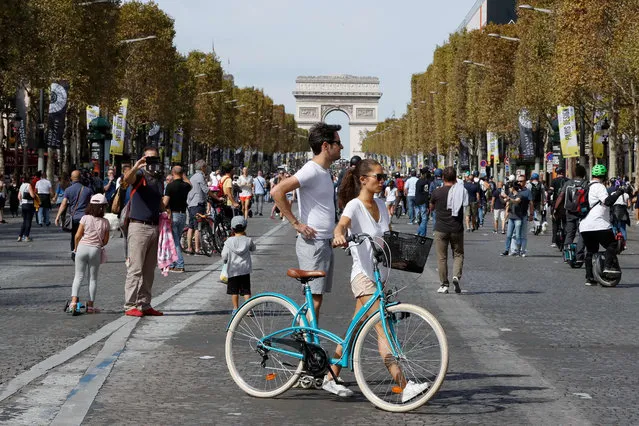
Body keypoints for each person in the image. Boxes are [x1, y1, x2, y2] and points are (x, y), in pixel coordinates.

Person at [329, 158, 429, 401]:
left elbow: (388, 238)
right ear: (363, 179)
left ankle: (330, 377)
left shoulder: (383, 205)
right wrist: (339, 236)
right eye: (379, 177)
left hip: (380, 276)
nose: (384, 182)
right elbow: (340, 226)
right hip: (364, 277)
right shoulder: (353, 206)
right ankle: (404, 386)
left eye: (385, 177)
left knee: (354, 329)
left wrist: (406, 256)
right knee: (384, 330)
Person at [271, 122, 342, 321]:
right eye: (338, 143)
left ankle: (308, 339)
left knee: (316, 298)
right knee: (314, 299)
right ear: (326, 146)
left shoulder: (323, 171)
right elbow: (277, 191)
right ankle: (307, 342)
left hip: (323, 242)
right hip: (314, 243)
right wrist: (296, 224)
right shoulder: (311, 170)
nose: (341, 147)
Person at [122, 146, 165, 317]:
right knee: (136, 268)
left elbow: (159, 201)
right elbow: (126, 180)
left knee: (149, 269)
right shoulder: (139, 174)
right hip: (139, 226)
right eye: (148, 158)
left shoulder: (158, 179)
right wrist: (137, 165)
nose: (151, 161)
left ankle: (144, 303)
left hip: (155, 226)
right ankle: (130, 304)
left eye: (154, 158)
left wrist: (165, 211)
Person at [580, 164, 625, 285]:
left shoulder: (586, 186)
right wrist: (619, 192)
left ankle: (589, 278)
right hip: (599, 224)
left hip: (584, 225)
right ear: (604, 176)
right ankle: (607, 266)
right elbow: (608, 201)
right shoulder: (599, 186)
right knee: (613, 244)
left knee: (590, 250)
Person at [68, 193, 110, 314]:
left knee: (78, 276)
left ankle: (74, 302)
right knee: (93, 279)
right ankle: (90, 306)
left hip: (82, 248)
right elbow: (105, 241)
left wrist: (76, 248)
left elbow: (77, 235)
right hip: (95, 250)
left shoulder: (85, 218)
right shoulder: (105, 222)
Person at [430, 167, 466, 294]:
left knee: (442, 258)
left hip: (441, 228)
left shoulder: (437, 192)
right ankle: (456, 276)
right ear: (455, 178)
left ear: (443, 178)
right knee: (458, 254)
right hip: (456, 228)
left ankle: (444, 284)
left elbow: (431, 207)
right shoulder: (461, 191)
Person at [55, 170, 94, 259]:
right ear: (80, 178)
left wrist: (58, 216)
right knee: (84, 236)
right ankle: (84, 252)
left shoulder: (68, 190)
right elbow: (92, 204)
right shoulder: (88, 190)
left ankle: (74, 252)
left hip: (74, 217)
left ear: (72, 178)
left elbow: (64, 204)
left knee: (74, 235)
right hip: (85, 218)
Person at [222, 216, 256, 314]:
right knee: (246, 290)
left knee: (234, 291)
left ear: (232, 229)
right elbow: (253, 248)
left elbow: (224, 254)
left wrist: (225, 261)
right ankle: (248, 309)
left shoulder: (228, 241)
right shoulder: (248, 240)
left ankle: (236, 308)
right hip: (245, 270)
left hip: (233, 270)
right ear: (245, 228)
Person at [162, 166, 192, 273]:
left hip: (173, 215)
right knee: (176, 240)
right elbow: (190, 184)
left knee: (175, 241)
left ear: (172, 172)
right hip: (183, 214)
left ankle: (180, 264)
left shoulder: (170, 186)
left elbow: (165, 203)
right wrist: (183, 175)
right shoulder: (186, 186)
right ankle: (173, 263)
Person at [186, 159, 211, 256]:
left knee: (191, 226)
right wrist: (215, 197)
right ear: (202, 167)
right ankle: (197, 248)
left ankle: (189, 248)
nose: (206, 169)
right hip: (198, 204)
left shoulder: (192, 176)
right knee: (198, 226)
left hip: (191, 204)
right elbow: (205, 190)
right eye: (205, 167)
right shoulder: (200, 177)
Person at [550, 167, 568, 247]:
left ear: (557, 173)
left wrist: (549, 201)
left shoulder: (554, 181)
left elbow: (550, 191)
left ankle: (554, 241)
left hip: (556, 204)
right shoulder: (568, 180)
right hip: (566, 204)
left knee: (555, 223)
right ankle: (566, 240)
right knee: (565, 223)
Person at [17, 175, 36, 242]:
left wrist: (22, 201)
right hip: (29, 204)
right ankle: (26, 236)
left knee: (24, 221)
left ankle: (20, 236)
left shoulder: (21, 185)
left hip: (23, 204)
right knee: (28, 221)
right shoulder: (29, 185)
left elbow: (19, 196)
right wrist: (34, 193)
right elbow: (32, 195)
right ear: (29, 179)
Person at [414, 168, 430, 236]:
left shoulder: (418, 181)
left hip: (417, 201)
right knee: (424, 219)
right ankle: (421, 233)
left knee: (419, 218)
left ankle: (421, 232)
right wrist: (427, 205)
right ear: (426, 174)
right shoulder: (425, 182)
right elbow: (426, 193)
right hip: (423, 201)